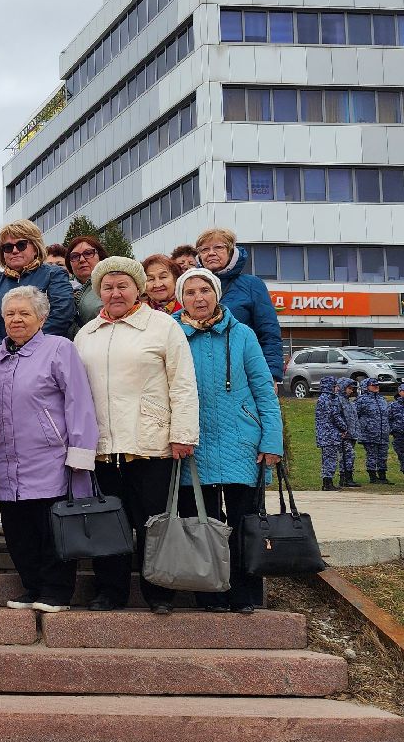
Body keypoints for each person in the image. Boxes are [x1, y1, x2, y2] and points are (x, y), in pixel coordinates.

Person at [74, 257, 199, 615]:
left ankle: (159, 592)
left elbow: (183, 383)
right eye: (108, 287)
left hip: (150, 446)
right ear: (99, 292)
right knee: (107, 526)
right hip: (101, 449)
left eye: (122, 285)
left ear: (138, 289)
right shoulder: (86, 334)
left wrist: (183, 434)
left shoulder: (161, 327)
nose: (115, 293)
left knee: (153, 524)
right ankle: (109, 591)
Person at [174, 267, 284, 615]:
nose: (198, 298)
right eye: (190, 292)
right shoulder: (172, 335)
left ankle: (245, 593)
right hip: (195, 443)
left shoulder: (243, 335)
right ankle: (209, 593)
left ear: (217, 293)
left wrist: (272, 440)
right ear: (181, 299)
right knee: (200, 524)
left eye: (204, 290)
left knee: (243, 521)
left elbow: (264, 390)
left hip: (242, 442)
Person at [0, 286, 98, 613]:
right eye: (10, 314)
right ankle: (32, 587)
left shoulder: (59, 348)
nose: (16, 319)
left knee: (52, 529)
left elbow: (79, 401)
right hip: (7, 460)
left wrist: (80, 451)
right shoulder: (0, 356)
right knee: (19, 531)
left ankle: (56, 591)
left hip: (50, 457)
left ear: (42, 317)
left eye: (24, 313)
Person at [194, 228, 284, 382]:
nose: (211, 253)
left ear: (231, 251)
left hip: (244, 372)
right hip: (202, 374)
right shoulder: (191, 286)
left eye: (218, 247)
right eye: (205, 249)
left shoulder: (251, 284)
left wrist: (271, 375)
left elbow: (269, 333)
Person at [0, 220, 75, 356]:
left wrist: (28, 347)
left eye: (21, 245)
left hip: (43, 357)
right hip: (0, 357)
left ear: (35, 247)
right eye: (8, 247)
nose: (14, 251)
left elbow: (62, 313)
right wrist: (0, 347)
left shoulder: (54, 274)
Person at [355, 378, 393, 484]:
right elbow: (354, 415)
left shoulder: (382, 399)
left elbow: (388, 415)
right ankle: (372, 476)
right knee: (372, 455)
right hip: (369, 433)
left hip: (383, 433)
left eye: (377, 385)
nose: (376, 387)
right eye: (373, 385)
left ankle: (382, 476)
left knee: (383, 456)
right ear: (366, 387)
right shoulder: (361, 400)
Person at [65, 236, 105, 336]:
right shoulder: (61, 288)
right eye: (75, 256)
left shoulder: (112, 285)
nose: (82, 260)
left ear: (100, 256)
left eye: (88, 253)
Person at [315, 376, 349, 491]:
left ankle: (327, 482)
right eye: (334, 386)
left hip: (324, 434)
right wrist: (344, 427)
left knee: (327, 459)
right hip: (330, 435)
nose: (336, 388)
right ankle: (328, 484)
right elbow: (335, 416)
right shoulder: (329, 399)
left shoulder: (321, 399)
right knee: (331, 459)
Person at [338, 378, 360, 488]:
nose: (351, 391)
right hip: (344, 435)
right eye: (349, 388)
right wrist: (343, 430)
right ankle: (345, 478)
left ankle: (348, 478)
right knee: (347, 456)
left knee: (349, 456)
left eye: (352, 389)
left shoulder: (350, 402)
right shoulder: (338, 401)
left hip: (352, 434)